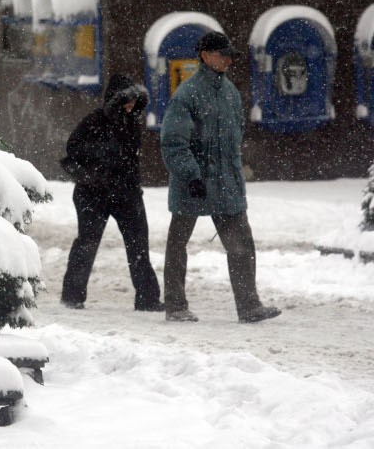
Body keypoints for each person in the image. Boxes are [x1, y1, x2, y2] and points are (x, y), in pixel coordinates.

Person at [160, 31, 281, 323]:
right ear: (205, 56)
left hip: (226, 183)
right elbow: (174, 142)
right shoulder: (187, 95)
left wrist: (235, 174)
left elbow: (234, 137)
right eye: (222, 54)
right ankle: (175, 306)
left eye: (230, 55)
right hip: (194, 183)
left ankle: (249, 306)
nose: (228, 60)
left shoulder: (230, 93)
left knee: (241, 244)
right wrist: (191, 176)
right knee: (178, 244)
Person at [60, 74, 165, 312]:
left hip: (127, 194)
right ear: (114, 100)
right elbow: (72, 152)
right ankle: (72, 297)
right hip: (93, 194)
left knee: (138, 245)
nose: (130, 106)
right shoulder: (94, 121)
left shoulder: (132, 124)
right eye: (126, 101)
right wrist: (93, 174)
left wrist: (131, 185)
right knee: (87, 243)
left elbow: (129, 161)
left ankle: (147, 299)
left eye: (133, 101)